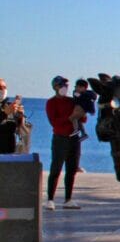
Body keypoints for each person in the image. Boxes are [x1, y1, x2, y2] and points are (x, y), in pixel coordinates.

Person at [45, 76, 86, 210]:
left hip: (74, 139)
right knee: (56, 168)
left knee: (71, 169)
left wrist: (80, 113)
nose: (65, 88)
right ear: (55, 87)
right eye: (62, 85)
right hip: (60, 139)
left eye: (67, 86)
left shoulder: (72, 101)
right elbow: (54, 121)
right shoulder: (51, 103)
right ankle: (50, 199)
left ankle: (68, 199)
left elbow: (83, 119)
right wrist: (69, 117)